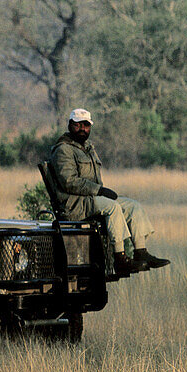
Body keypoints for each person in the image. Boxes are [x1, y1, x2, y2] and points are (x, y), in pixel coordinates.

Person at [48, 108, 171, 275]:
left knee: (133, 206)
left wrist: (99, 192)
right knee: (111, 207)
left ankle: (141, 252)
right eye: (78, 125)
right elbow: (69, 182)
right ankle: (120, 258)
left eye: (86, 125)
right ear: (70, 125)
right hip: (74, 204)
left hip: (91, 200)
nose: (83, 129)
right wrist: (99, 190)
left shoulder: (88, 147)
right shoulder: (64, 149)